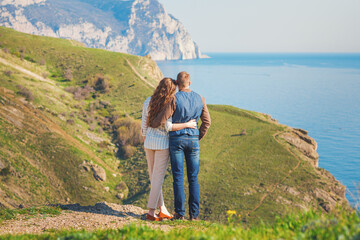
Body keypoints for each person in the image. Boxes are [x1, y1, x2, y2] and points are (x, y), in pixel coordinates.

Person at [152, 72, 211, 221]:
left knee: (178, 177)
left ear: (178, 84)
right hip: (193, 141)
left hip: (176, 142)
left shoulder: (174, 99)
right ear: (189, 83)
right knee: (193, 178)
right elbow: (207, 122)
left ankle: (179, 213)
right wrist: (197, 137)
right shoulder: (201, 98)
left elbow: (161, 119)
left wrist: (151, 123)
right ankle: (194, 215)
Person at [141, 77, 197, 221]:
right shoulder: (169, 103)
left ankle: (162, 209)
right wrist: (188, 124)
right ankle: (151, 212)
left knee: (153, 178)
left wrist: (145, 140)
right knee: (158, 179)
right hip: (163, 145)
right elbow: (168, 127)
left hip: (149, 143)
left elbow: (143, 125)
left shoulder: (148, 100)